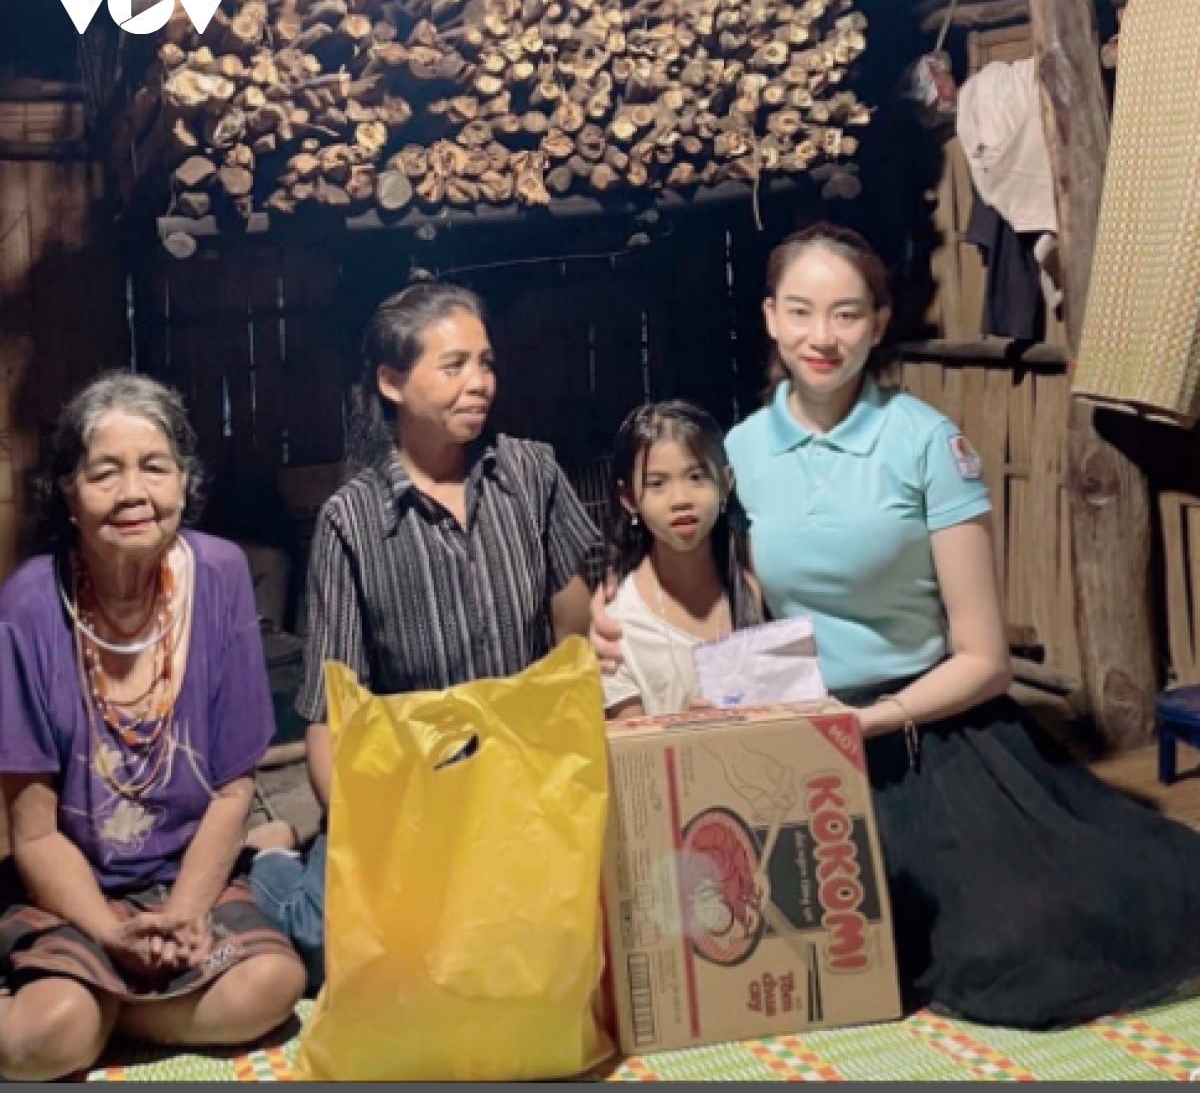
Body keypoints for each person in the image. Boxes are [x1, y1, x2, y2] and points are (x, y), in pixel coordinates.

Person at [592, 222, 1200, 1030]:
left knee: (1017, 951)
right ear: (771, 317)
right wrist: (612, 609)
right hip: (798, 730)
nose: (821, 336)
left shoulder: (928, 444)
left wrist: (876, 719)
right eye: (801, 311)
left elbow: (984, 660)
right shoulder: (736, 452)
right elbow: (685, 559)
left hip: (929, 728)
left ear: (879, 325)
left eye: (846, 314)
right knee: (754, 940)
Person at [250, 283, 598, 992]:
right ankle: (274, 858)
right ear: (391, 382)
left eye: (487, 362)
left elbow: (575, 641)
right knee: (333, 945)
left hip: (522, 783)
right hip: (416, 796)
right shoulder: (353, 521)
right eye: (454, 365)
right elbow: (329, 713)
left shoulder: (532, 474)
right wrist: (365, 833)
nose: (480, 383)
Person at [0, 372, 306, 1081]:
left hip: (186, 883)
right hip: (74, 894)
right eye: (104, 473)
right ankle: (84, 1012)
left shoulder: (222, 574)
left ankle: (108, 1014)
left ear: (183, 484)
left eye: (154, 468)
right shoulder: (29, 608)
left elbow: (233, 790)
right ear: (68, 495)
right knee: (47, 1031)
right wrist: (110, 934)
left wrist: (185, 918)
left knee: (269, 985)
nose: (133, 493)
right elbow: (35, 833)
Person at [601, 401, 762, 719]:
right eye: (657, 484)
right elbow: (634, 753)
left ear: (726, 483)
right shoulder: (619, 628)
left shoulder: (763, 586)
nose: (681, 500)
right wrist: (685, 732)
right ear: (629, 499)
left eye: (696, 476)